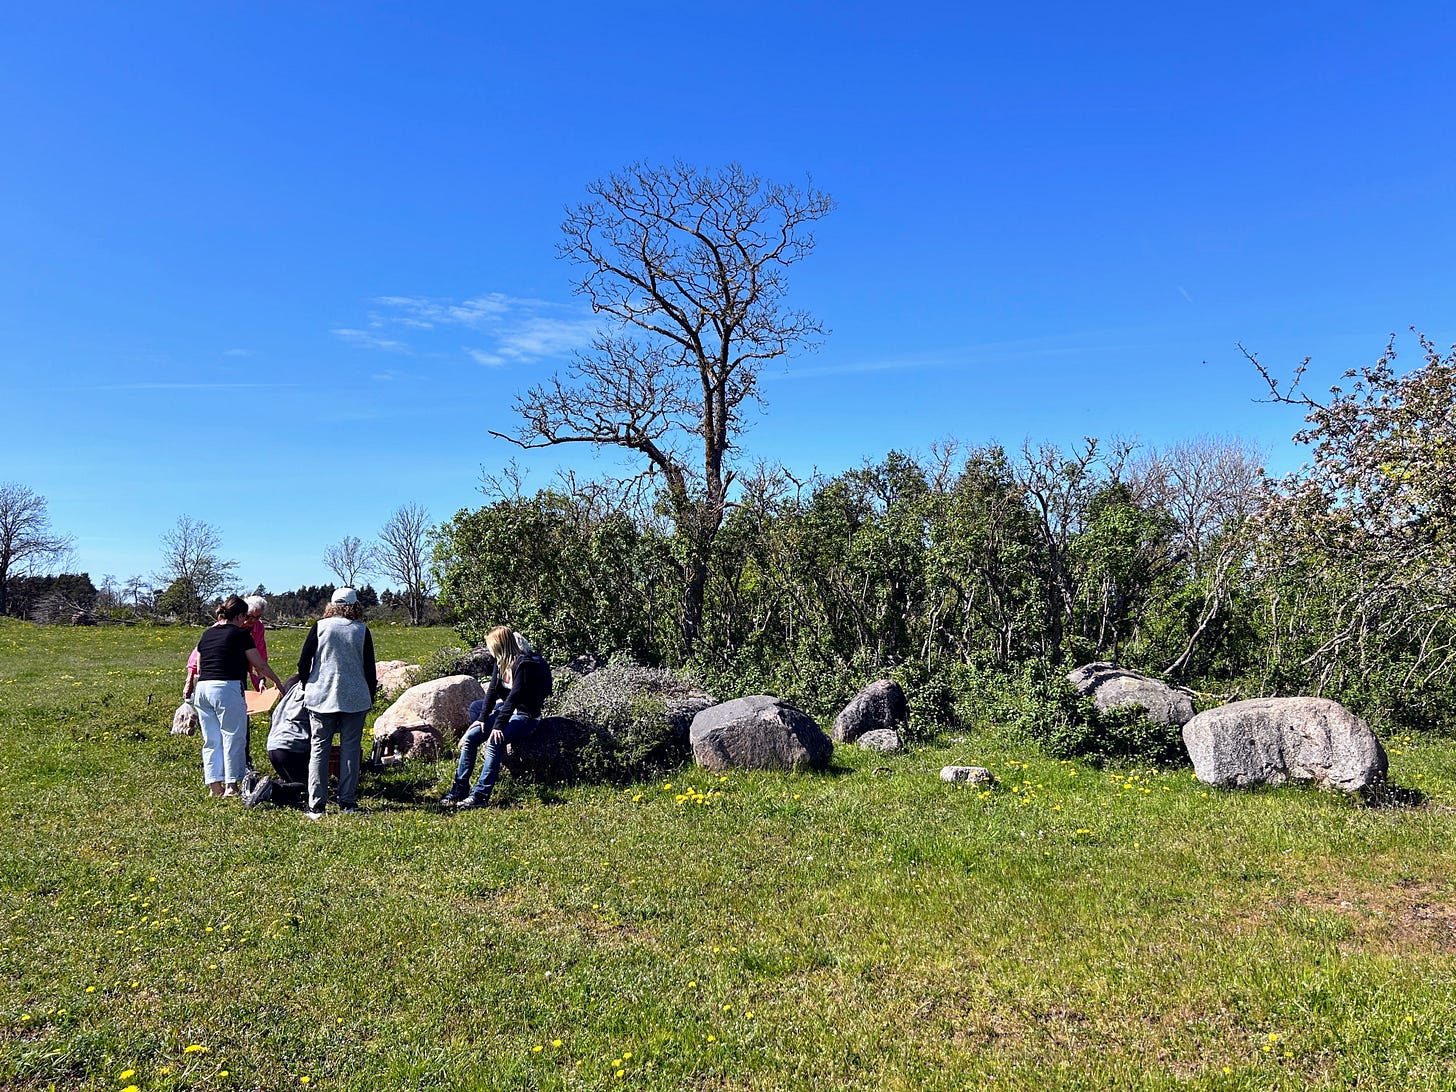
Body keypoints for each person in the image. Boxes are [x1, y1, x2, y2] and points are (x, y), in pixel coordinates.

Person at [442, 626, 551, 809]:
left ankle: (479, 796)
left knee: (494, 742)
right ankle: (459, 789)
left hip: (525, 717)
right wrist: (482, 719)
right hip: (506, 714)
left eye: (490, 645)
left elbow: (514, 699)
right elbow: (491, 693)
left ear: (499, 645)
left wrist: (498, 726)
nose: (488, 649)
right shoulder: (500, 664)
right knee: (471, 738)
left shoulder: (524, 666)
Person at [191, 594, 284, 798]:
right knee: (233, 737)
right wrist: (277, 683)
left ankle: (215, 787)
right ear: (240, 616)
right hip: (226, 688)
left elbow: (198, 665)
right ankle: (231, 786)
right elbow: (259, 665)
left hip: (203, 689)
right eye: (246, 617)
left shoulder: (207, 634)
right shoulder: (241, 635)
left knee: (211, 740)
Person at [297, 587, 378, 819]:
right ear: (355, 605)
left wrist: (307, 683)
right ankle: (347, 802)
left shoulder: (320, 627)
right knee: (350, 749)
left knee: (319, 748)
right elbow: (369, 668)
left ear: (331, 605)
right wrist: (370, 694)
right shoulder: (362, 630)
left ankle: (316, 805)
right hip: (355, 696)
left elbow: (303, 662)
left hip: (321, 695)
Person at [242, 674, 310, 808]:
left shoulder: (288, 695)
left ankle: (255, 785)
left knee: (290, 781)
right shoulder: (310, 694)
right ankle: (271, 788)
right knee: (308, 790)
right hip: (293, 747)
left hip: (274, 746)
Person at [244, 595, 271, 692]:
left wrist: (261, 679)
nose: (253, 620)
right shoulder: (233, 623)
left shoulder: (259, 627)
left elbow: (260, 655)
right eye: (250, 616)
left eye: (257, 617)